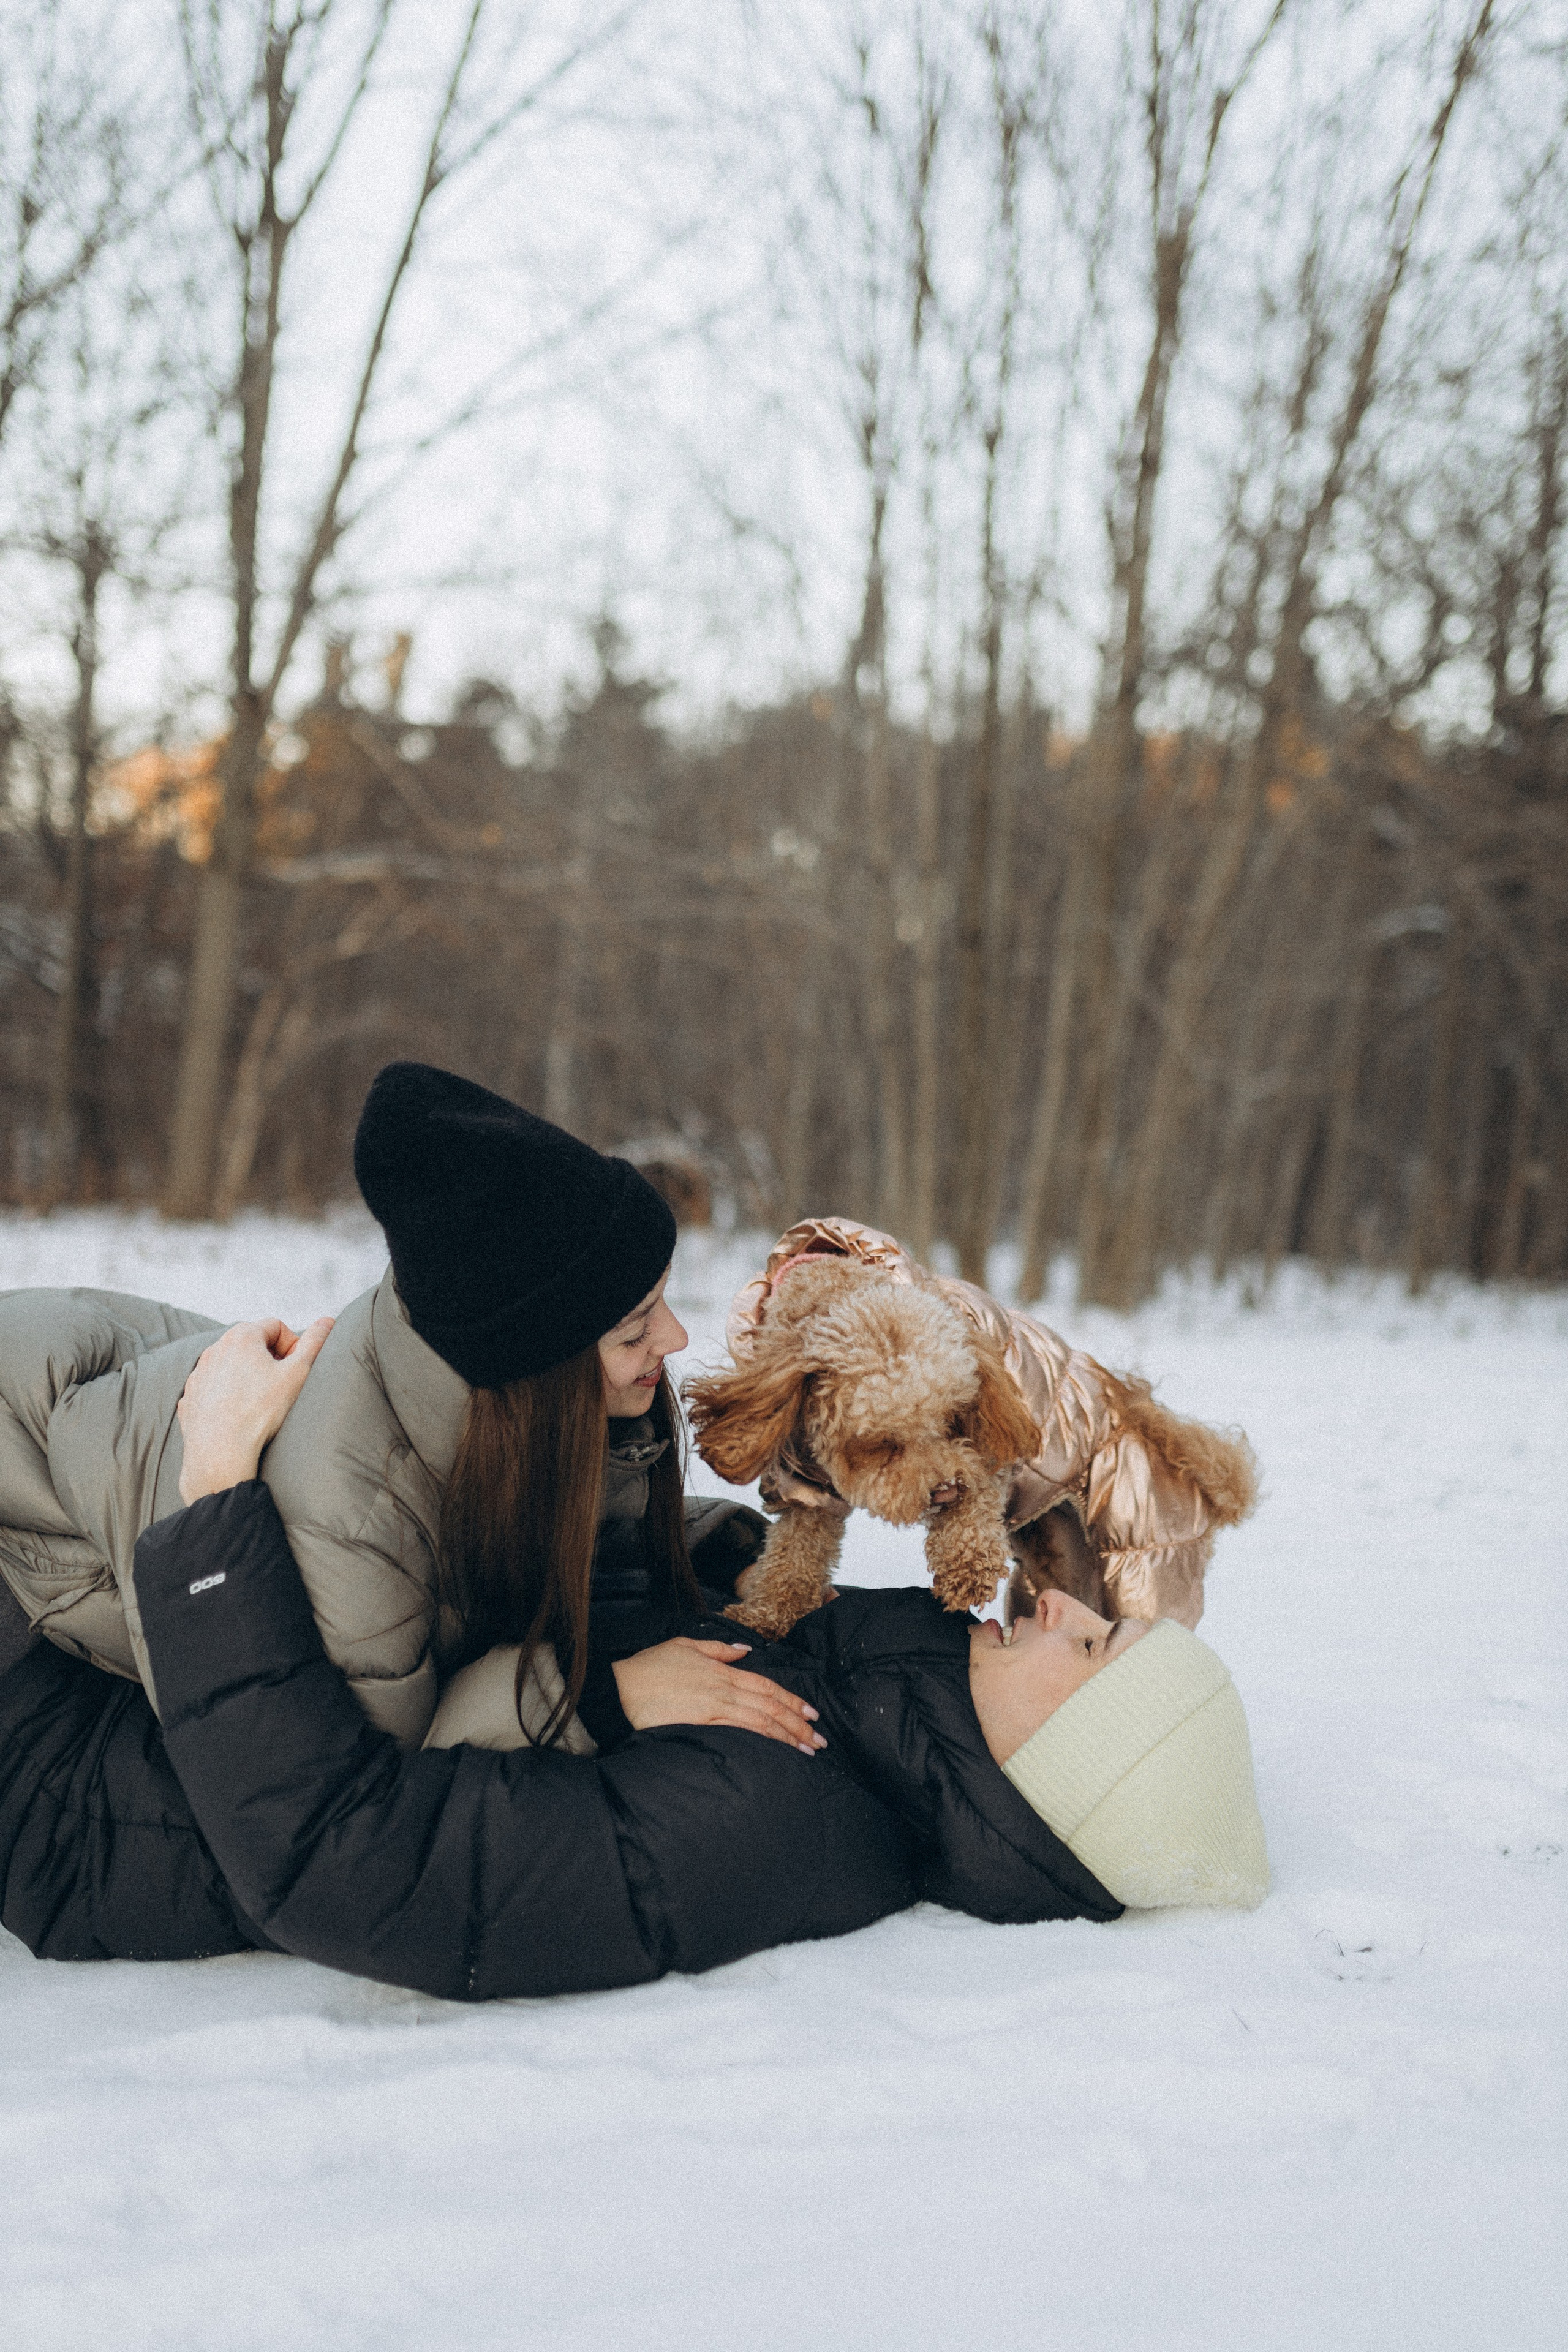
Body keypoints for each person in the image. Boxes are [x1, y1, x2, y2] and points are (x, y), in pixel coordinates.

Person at [0, 1317, 1268, 1992]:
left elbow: (352, 1865)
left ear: (1068, 1774)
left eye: (1089, 1647)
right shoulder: (868, 1689)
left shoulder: (766, 1821)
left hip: (73, 1777)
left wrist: (208, 1502)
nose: (1056, 1606)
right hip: (106, 1649)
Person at [0, 1064, 810, 1758]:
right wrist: (602, 1693)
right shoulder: (353, 1518)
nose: (676, 1335)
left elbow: (566, 1517)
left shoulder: (492, 1391)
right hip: (31, 1480)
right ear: (536, 1369)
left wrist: (720, 1546)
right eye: (636, 1327)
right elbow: (369, 1777)